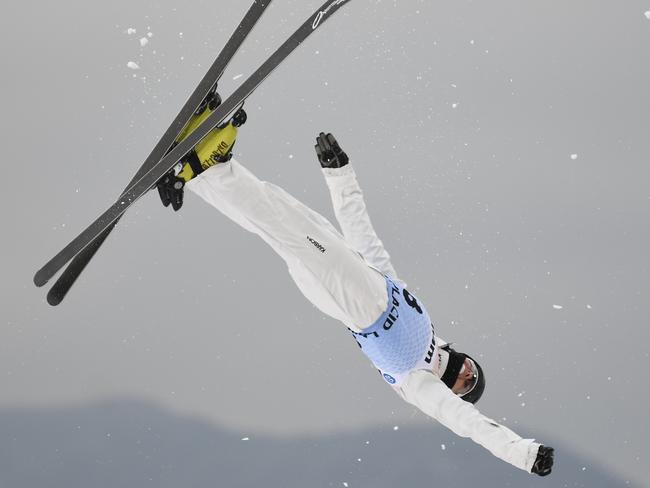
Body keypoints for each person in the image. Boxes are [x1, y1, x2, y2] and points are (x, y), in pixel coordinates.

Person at [156, 93, 555, 477]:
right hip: (356, 270)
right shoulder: (429, 328)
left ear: (454, 394)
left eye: (466, 385)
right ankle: (210, 168)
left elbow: (472, 426)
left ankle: (199, 168)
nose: (465, 373)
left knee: (279, 225)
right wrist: (340, 175)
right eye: (472, 370)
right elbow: (371, 248)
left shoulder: (421, 384)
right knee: (282, 213)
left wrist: (524, 454)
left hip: (350, 299)